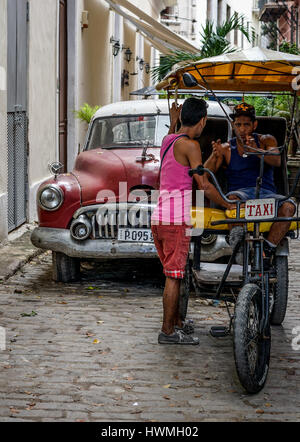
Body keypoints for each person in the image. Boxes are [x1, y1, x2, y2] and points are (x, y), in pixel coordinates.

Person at [151, 98, 234, 345]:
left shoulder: (170, 140)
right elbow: (204, 185)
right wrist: (228, 205)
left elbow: (193, 169)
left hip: (160, 218)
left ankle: (176, 322)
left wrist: (174, 121)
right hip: (176, 220)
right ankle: (167, 331)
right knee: (174, 276)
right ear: (202, 120)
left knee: (173, 272)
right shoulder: (191, 145)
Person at [206, 102, 296, 264]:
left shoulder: (266, 140)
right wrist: (214, 155)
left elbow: (276, 160)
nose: (242, 129)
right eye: (238, 124)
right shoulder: (226, 148)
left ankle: (268, 248)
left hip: (267, 193)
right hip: (240, 194)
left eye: (246, 124)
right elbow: (205, 172)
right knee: (233, 199)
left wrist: (256, 151)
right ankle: (239, 247)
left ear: (254, 125)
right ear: (233, 125)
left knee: (289, 207)